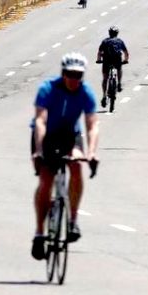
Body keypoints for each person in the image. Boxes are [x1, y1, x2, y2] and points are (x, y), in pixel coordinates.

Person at [30, 53, 100, 260]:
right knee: (45, 180)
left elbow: (92, 124)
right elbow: (40, 121)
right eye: (70, 74)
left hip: (70, 135)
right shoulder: (48, 88)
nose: (74, 79)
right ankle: (40, 233)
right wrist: (39, 151)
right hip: (46, 136)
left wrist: (92, 153)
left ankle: (72, 221)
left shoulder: (86, 92)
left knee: (77, 165)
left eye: (78, 75)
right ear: (63, 73)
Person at [96, 26, 129, 107]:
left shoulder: (105, 41)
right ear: (117, 33)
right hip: (117, 59)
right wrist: (125, 60)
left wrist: (99, 60)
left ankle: (104, 95)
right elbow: (126, 52)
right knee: (119, 68)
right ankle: (119, 83)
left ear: (109, 33)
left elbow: (99, 52)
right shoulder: (120, 41)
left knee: (105, 79)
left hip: (106, 60)